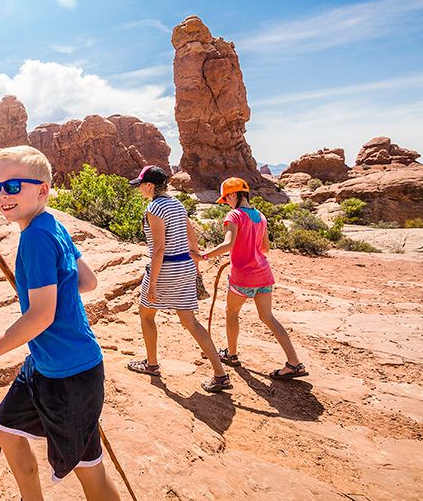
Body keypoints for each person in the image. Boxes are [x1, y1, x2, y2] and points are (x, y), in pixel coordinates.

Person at [0, 146, 120, 500]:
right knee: (4, 427)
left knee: (90, 472)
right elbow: (88, 281)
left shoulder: (35, 237)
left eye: (13, 186)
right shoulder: (52, 224)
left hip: (70, 375)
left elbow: (41, 315)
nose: (2, 195)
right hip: (47, 364)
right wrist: (58, 289)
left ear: (42, 189)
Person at [125, 165, 232, 393]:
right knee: (190, 322)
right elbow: (191, 232)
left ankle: (151, 364)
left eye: (141, 185)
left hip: (166, 269)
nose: (139, 190)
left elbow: (159, 249)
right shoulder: (177, 204)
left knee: (146, 314)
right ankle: (220, 374)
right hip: (183, 267)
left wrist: (152, 283)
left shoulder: (154, 208)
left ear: (150, 186)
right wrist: (196, 260)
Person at [198, 177, 308, 379]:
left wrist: (203, 256)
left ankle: (231, 355)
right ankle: (294, 362)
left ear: (233, 194)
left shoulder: (234, 215)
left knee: (232, 313)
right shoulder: (260, 215)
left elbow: (228, 244)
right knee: (268, 317)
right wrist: (249, 250)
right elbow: (265, 248)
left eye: (226, 199)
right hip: (264, 275)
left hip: (243, 277)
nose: (227, 203)